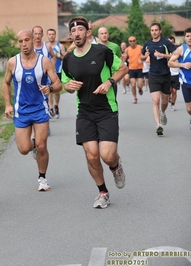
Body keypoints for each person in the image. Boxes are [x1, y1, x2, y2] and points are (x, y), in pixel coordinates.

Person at [61, 16, 128, 209]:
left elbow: (123, 68)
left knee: (107, 156)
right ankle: (103, 192)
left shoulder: (102, 52)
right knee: (91, 156)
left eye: (80, 30)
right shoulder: (68, 59)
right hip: (84, 112)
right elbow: (65, 83)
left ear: (88, 32)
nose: (76, 34)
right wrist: (69, 86)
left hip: (107, 110)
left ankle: (116, 166)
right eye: (73, 31)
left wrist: (109, 82)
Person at [2, 29, 62, 192]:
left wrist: (49, 88)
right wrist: (7, 104)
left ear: (33, 40)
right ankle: (34, 145)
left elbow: (58, 84)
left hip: (40, 109)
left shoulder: (44, 62)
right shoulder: (13, 62)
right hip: (21, 111)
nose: (23, 44)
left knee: (42, 146)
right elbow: (5, 83)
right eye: (20, 41)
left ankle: (42, 178)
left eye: (26, 40)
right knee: (23, 149)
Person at [141, 22, 177, 136]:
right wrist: (145, 56)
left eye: (156, 30)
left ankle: (163, 112)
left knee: (165, 101)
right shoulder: (147, 44)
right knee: (156, 101)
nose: (154, 32)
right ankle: (158, 125)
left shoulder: (166, 42)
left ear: (160, 31)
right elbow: (141, 57)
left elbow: (175, 54)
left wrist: (162, 55)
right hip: (153, 75)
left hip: (165, 74)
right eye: (152, 30)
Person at [168, 27, 191, 129]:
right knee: (189, 109)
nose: (190, 38)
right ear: (185, 37)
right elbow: (170, 63)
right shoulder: (181, 49)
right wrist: (183, 65)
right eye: (188, 36)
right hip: (186, 82)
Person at [32, 26, 56, 119]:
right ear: (32, 34)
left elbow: (53, 56)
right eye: (35, 34)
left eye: (39, 34)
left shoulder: (47, 46)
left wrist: (52, 67)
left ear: (42, 35)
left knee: (47, 91)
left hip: (45, 75)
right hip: (34, 75)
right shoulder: (30, 46)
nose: (37, 36)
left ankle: (48, 110)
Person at [47, 28, 66, 119]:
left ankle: (56, 106)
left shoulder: (60, 46)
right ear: (47, 36)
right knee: (49, 90)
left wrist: (57, 54)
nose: (51, 36)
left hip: (58, 70)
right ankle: (50, 109)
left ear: (55, 35)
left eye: (53, 34)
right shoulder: (46, 46)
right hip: (48, 72)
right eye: (49, 34)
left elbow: (65, 58)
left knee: (56, 91)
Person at [123, 36, 144, 104]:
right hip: (131, 69)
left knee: (140, 85)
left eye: (133, 41)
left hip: (139, 68)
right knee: (133, 84)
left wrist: (142, 60)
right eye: (130, 41)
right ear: (128, 42)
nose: (132, 42)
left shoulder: (140, 47)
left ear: (136, 41)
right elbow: (124, 58)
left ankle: (140, 89)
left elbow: (145, 55)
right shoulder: (127, 49)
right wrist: (126, 59)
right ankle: (135, 97)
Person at [168, 36, 180, 111]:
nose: (170, 44)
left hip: (176, 74)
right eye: (169, 42)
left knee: (174, 91)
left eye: (172, 42)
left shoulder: (178, 51)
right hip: (167, 73)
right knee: (169, 90)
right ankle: (169, 95)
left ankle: (173, 104)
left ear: (174, 43)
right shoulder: (165, 51)